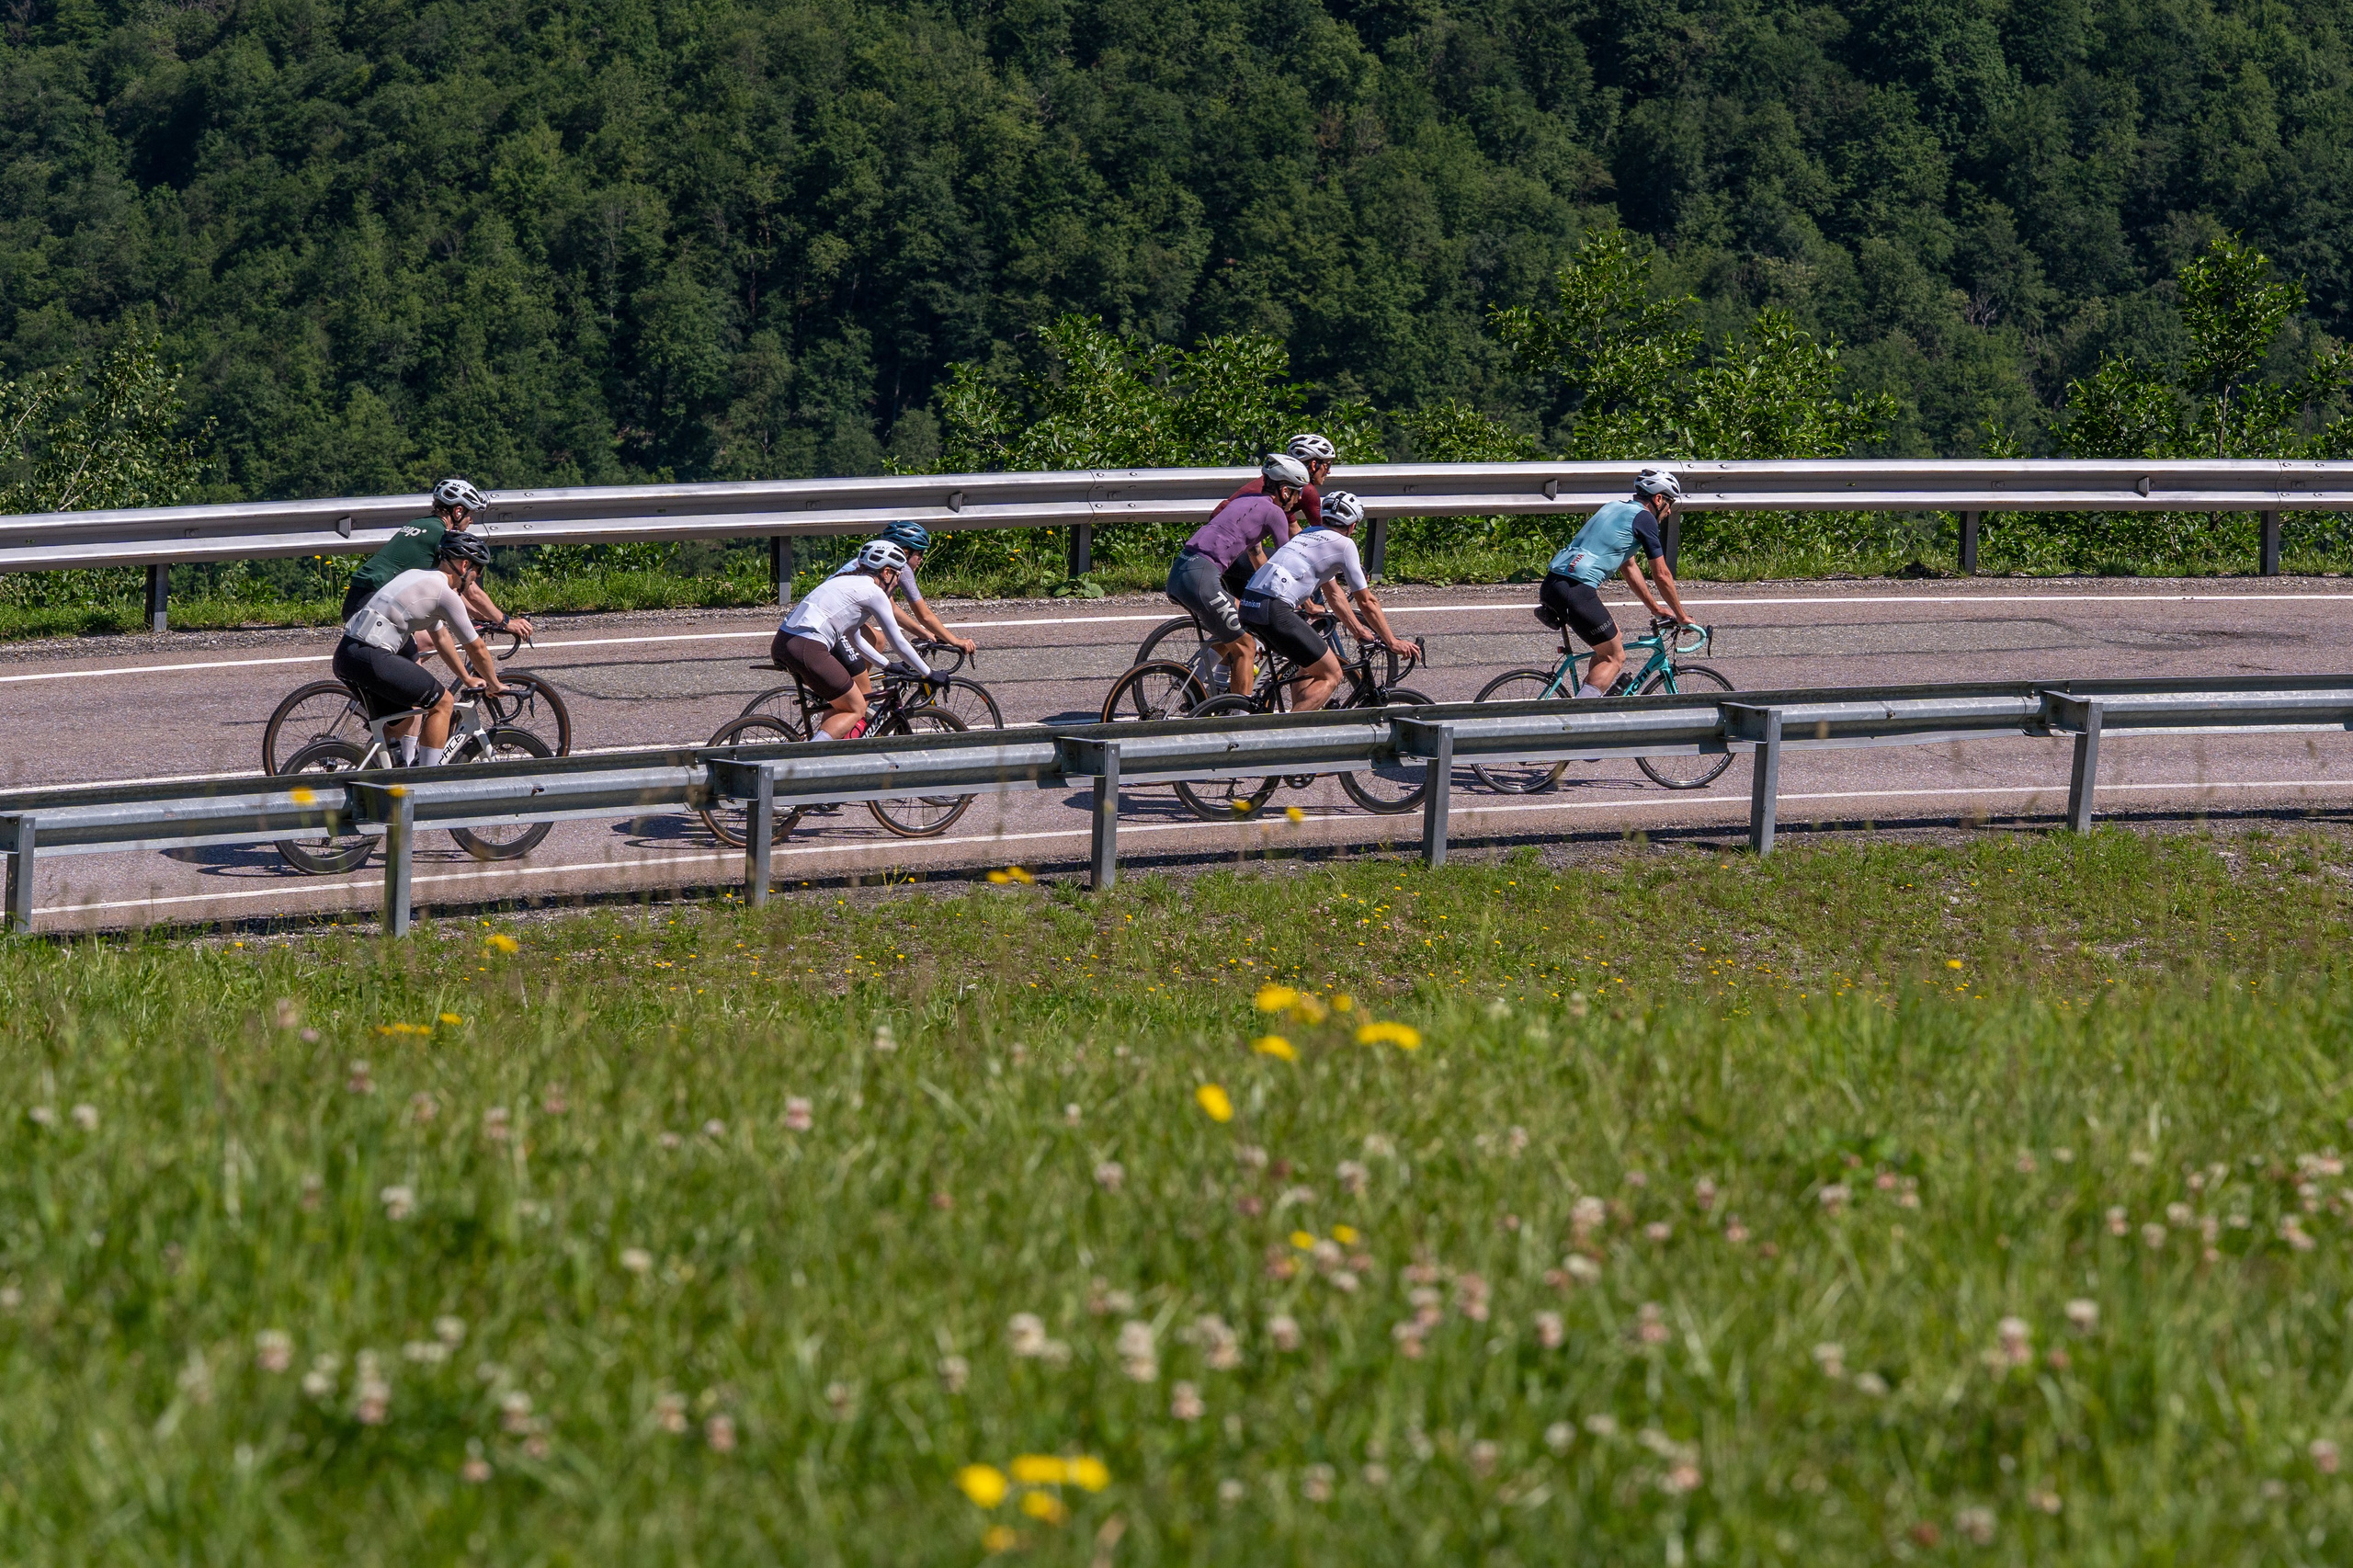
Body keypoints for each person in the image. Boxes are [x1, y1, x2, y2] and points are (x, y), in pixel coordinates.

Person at [332, 532, 507, 767]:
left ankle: (366, 769)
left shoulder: (417, 576)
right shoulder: (446, 594)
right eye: (478, 572)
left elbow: (442, 637)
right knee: (443, 703)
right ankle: (428, 780)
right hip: (372, 655)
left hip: (347, 653)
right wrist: (494, 683)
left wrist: (466, 677)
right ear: (465, 565)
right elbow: (476, 647)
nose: (476, 579)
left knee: (402, 720)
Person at [1238, 490, 1415, 711]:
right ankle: (1284, 737)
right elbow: (1367, 601)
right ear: (1352, 526)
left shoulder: (1307, 535)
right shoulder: (1344, 544)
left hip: (1249, 604)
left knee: (1308, 664)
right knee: (1332, 673)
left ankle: (1302, 721)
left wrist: (1358, 630)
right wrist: (1392, 641)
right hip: (1275, 609)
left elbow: (1334, 594)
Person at [1540, 468, 1696, 698]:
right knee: (1615, 657)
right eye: (1669, 502)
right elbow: (1662, 574)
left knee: (1612, 642)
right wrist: (1681, 615)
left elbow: (1629, 566)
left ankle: (1591, 698)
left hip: (1553, 583)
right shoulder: (1645, 518)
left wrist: (1655, 608)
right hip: (1576, 590)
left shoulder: (1613, 507)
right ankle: (1577, 721)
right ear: (1658, 499)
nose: (1670, 510)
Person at [1167, 453, 1308, 695]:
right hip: (1201, 577)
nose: (1299, 499)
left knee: (1241, 617)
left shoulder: (1242, 502)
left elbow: (1256, 553)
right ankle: (1240, 720)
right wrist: (1306, 601)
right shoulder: (1275, 513)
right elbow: (1287, 561)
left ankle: (1193, 685)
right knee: (1246, 647)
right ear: (1285, 492)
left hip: (1182, 570)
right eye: (1298, 493)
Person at [342, 477, 532, 647]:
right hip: (373, 601)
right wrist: (505, 621)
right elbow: (471, 591)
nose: (471, 521)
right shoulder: (443, 537)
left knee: (430, 641)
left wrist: (478, 615)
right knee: (413, 659)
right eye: (469, 514)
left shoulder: (420, 523)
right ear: (458, 511)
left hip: (360, 595)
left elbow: (450, 591)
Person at [774, 540, 933, 739]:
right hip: (808, 647)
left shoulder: (844, 581)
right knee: (856, 708)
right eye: (897, 575)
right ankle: (807, 760)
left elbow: (854, 638)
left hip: (784, 642)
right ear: (886, 572)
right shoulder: (874, 593)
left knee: (842, 702)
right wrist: (929, 673)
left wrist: (887, 665)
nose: (897, 582)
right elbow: (898, 642)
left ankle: (828, 753)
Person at [827, 521, 976, 658]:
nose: (922, 559)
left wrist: (924, 633)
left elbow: (892, 609)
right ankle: (857, 686)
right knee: (861, 682)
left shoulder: (876, 562)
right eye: (919, 553)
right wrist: (955, 640)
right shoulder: (901, 567)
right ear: (905, 552)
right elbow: (925, 615)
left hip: (829, 614)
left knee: (878, 640)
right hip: (831, 622)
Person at [1207, 433, 1333, 528]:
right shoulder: (1306, 490)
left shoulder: (1279, 484)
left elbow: (1292, 527)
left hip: (1216, 529)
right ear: (1314, 465)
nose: (1329, 471)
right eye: (1328, 465)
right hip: (1229, 538)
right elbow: (1325, 534)